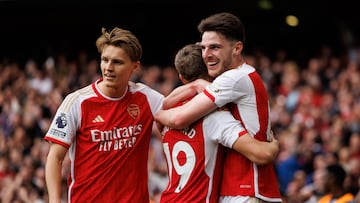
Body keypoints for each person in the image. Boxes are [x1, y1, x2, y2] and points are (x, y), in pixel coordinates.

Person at [155, 12, 282, 202]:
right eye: (204, 48)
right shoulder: (215, 113)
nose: (207, 54)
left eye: (215, 47)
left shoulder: (232, 79)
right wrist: (273, 147)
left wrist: (158, 113)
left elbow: (177, 117)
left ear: (237, 48)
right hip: (238, 190)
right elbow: (262, 153)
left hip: (247, 191)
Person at [44, 27, 164, 203]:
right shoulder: (77, 102)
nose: (108, 67)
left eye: (117, 62)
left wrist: (197, 87)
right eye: (104, 60)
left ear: (135, 67)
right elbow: (55, 157)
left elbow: (179, 113)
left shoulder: (147, 98)